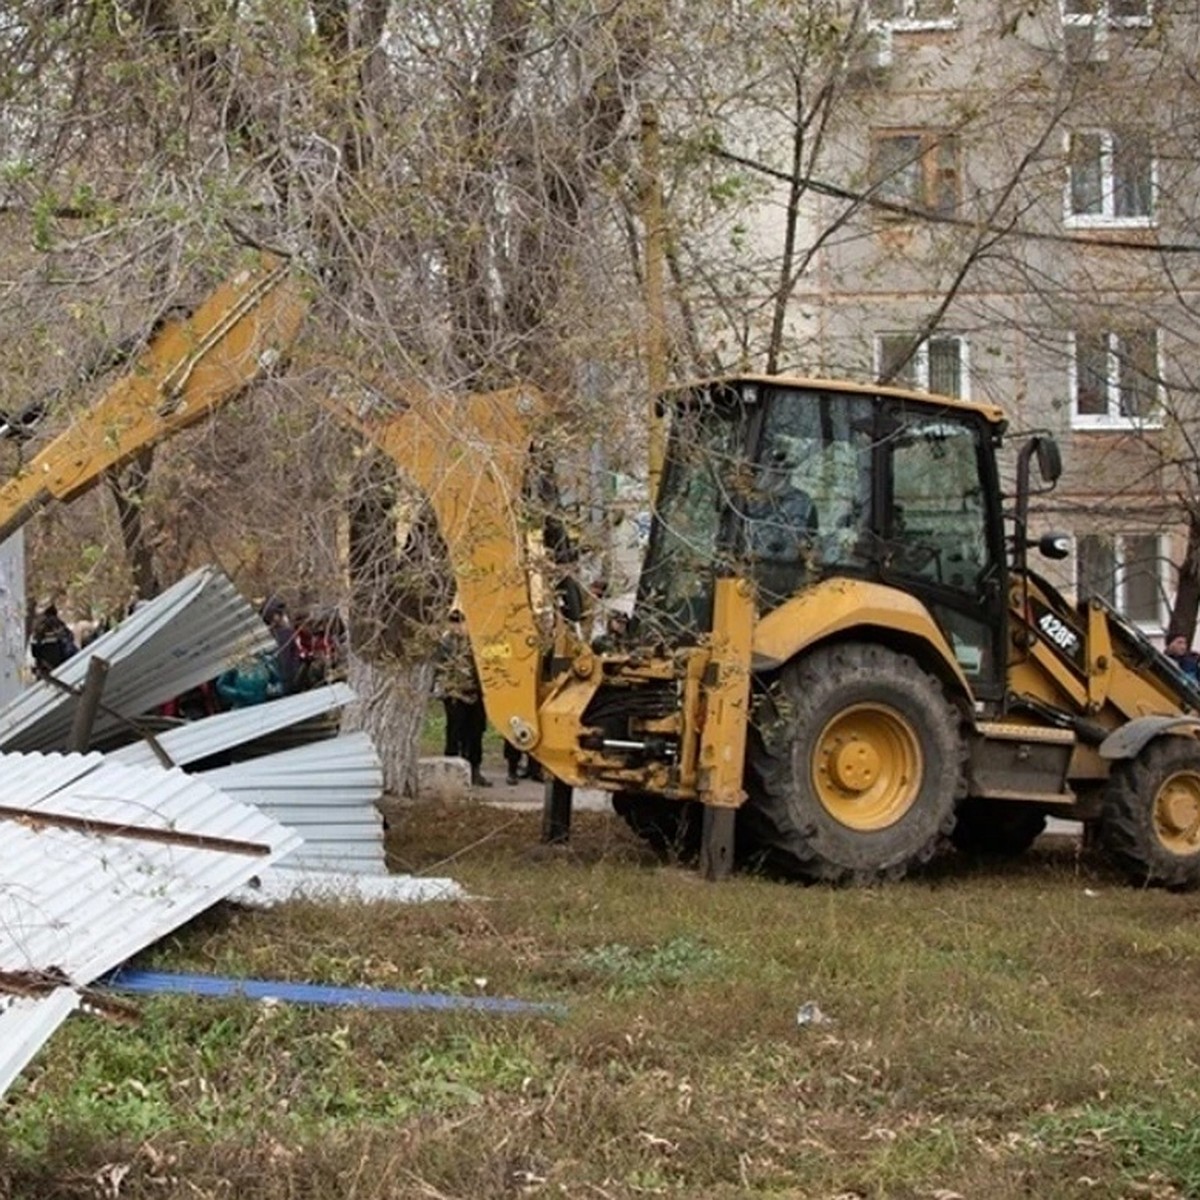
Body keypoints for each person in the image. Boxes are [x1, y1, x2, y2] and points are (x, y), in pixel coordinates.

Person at [435, 609, 491, 787]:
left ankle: (474, 769)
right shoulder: (446, 642)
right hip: (455, 693)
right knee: (454, 731)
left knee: (476, 732)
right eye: (454, 621)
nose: (458, 626)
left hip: (476, 692)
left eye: (461, 621)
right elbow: (440, 667)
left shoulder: (478, 641)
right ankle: (452, 769)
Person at [261, 594, 301, 694]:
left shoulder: (286, 633)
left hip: (286, 679)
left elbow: (294, 653)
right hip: (279, 680)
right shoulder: (268, 635)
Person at [29, 603, 78, 677]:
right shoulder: (57, 623)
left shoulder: (38, 626)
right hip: (60, 663)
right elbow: (69, 637)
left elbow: (34, 651)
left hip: (44, 665)